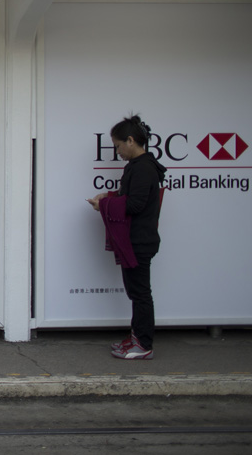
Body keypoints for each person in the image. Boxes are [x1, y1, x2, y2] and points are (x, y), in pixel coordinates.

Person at [87, 114, 166, 360]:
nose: (118, 151)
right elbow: (129, 198)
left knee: (140, 294)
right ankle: (137, 338)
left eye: (118, 145)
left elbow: (135, 204)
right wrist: (108, 197)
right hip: (137, 240)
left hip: (139, 241)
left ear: (130, 140)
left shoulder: (143, 168)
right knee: (136, 293)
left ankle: (143, 344)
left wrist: (104, 205)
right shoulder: (139, 165)